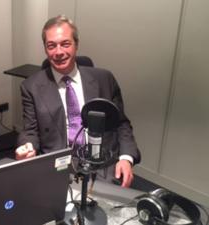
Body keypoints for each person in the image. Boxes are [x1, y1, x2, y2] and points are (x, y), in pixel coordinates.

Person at [15, 15, 140, 187]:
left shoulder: (105, 79)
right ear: (45, 49)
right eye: (51, 46)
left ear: (76, 44)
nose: (58, 52)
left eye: (65, 44)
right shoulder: (31, 86)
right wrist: (27, 147)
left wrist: (126, 158)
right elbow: (30, 130)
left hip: (103, 163)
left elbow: (121, 124)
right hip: (59, 166)